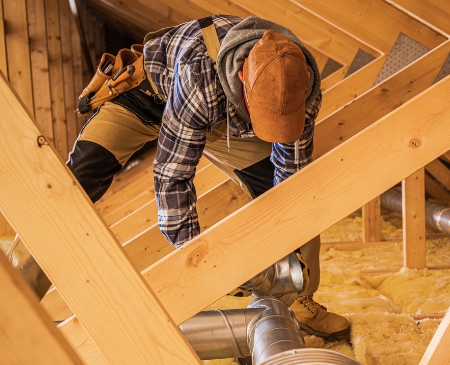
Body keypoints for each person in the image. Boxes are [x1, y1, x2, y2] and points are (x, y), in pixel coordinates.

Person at [10, 15, 350, 342]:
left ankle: (297, 297)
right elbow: (172, 176)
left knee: (288, 195)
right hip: (144, 98)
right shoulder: (200, 79)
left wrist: (283, 247)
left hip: (222, 118)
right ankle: (13, 301)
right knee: (72, 186)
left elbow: (292, 178)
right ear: (243, 83)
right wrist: (200, 258)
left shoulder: (300, 85)